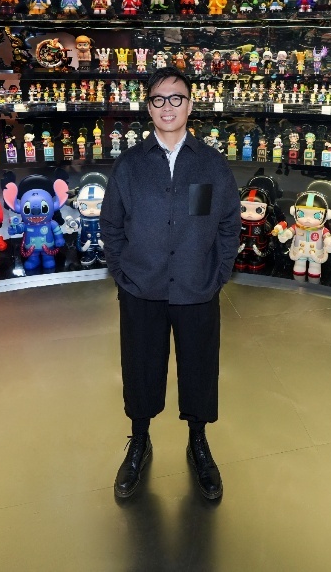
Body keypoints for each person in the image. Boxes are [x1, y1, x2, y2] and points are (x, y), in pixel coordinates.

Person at [102, 67, 240, 500]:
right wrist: (123, 273)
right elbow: (111, 225)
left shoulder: (211, 164)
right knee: (140, 364)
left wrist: (218, 273)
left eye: (176, 98)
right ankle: (139, 440)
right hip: (141, 287)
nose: (168, 107)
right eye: (158, 99)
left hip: (197, 286)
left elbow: (228, 223)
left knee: (200, 365)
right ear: (148, 108)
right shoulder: (130, 165)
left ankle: (198, 441)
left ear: (190, 105)